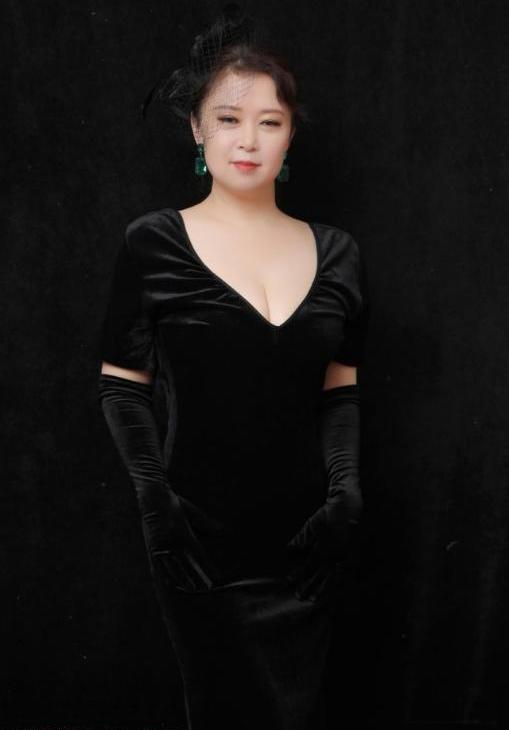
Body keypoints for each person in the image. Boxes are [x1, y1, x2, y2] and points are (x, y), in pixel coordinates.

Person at [97, 5, 370, 729]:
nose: (248, 139)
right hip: (199, 538)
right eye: (227, 119)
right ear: (196, 128)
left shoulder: (339, 252)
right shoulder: (154, 242)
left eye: (269, 121)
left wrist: (345, 496)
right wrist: (155, 504)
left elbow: (339, 390)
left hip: (308, 544)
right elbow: (122, 385)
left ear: (290, 134)